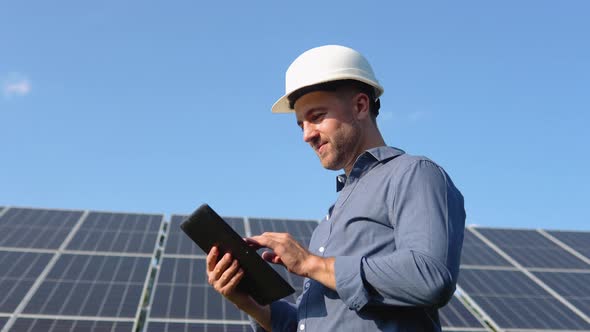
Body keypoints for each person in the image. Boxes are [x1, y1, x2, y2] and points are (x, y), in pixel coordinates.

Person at [206, 45, 465, 331]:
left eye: (317, 116)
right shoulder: (331, 218)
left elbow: (430, 277)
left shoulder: (413, 173)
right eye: (300, 124)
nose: (306, 135)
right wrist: (249, 302)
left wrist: (311, 264)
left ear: (360, 106)